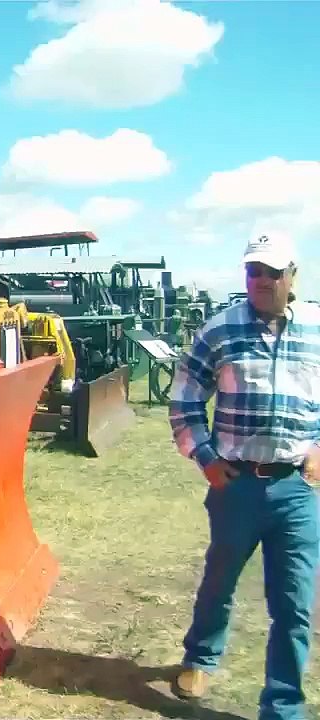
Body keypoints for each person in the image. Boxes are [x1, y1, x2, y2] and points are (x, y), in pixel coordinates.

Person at [168, 232, 320, 720]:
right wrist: (207, 458)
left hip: (297, 488)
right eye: (253, 270)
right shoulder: (220, 331)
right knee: (221, 579)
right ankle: (201, 656)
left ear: (292, 275)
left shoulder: (316, 330)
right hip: (237, 486)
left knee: (294, 604)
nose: (260, 280)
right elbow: (185, 398)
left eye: (271, 272)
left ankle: (283, 707)